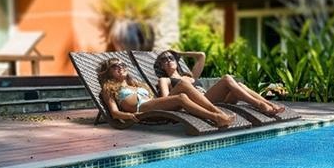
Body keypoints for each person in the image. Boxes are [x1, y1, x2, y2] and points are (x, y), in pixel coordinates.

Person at [97, 58, 235, 127]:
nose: (120, 67)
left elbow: (156, 99)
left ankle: (218, 113)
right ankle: (215, 117)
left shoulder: (135, 84)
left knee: (183, 84)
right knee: (181, 97)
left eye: (122, 65)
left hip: (153, 104)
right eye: (115, 66)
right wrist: (129, 115)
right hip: (142, 109)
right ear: (108, 72)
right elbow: (114, 113)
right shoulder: (108, 89)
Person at [154, 50, 285, 116]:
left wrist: (178, 53)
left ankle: (268, 104)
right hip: (199, 103)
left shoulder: (190, 76)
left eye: (171, 58)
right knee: (227, 78)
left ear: (177, 61)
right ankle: (260, 105)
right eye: (164, 59)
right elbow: (166, 101)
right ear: (161, 66)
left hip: (212, 99)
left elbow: (201, 55)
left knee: (240, 85)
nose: (168, 60)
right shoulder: (165, 80)